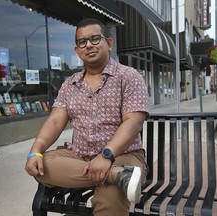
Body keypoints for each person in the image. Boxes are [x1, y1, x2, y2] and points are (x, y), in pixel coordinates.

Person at [25, 18, 149, 216]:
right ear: (77, 50)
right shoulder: (70, 84)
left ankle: (118, 174)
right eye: (82, 42)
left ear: (109, 43)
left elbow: (133, 122)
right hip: (79, 154)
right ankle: (117, 176)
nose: (88, 45)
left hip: (122, 155)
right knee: (43, 164)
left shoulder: (129, 76)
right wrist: (35, 151)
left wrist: (106, 156)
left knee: (111, 197)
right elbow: (56, 121)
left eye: (94, 38)